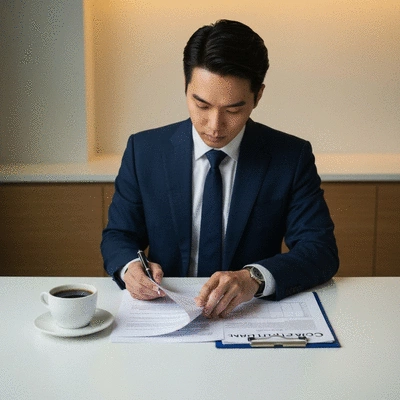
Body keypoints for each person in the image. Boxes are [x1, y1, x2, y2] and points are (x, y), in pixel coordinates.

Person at [101, 19, 339, 318]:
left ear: (258, 96)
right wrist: (129, 267)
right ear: (186, 88)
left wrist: (254, 278)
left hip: (249, 314)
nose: (214, 126)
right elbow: (119, 235)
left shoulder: (290, 157)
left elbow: (320, 250)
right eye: (201, 105)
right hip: (166, 312)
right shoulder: (145, 151)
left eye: (233, 110)